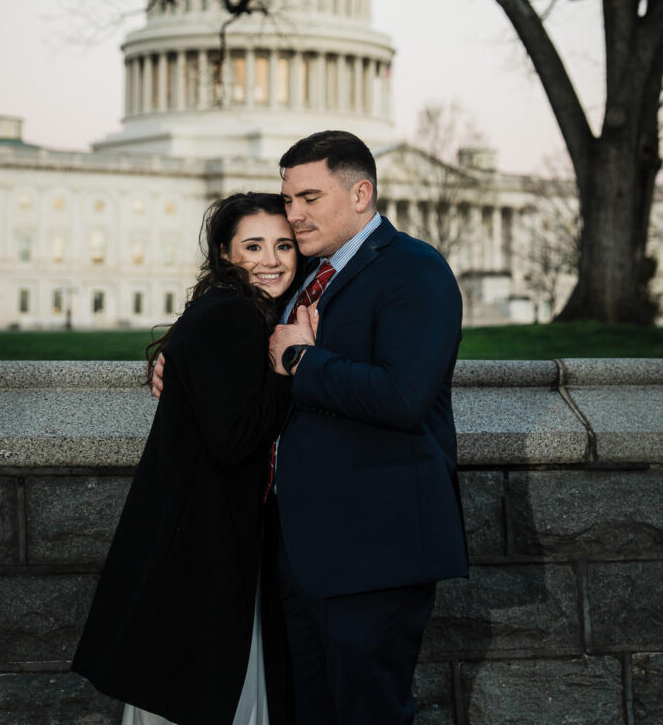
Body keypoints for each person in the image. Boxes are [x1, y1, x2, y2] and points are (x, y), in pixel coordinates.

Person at [154, 130, 469, 725]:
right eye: (288, 198)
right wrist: (178, 357)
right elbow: (245, 340)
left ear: (360, 194)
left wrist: (303, 361)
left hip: (377, 549)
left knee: (367, 713)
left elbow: (403, 397)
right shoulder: (308, 276)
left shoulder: (415, 271)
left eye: (308, 198)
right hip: (301, 552)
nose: (292, 215)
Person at [72, 192, 300, 725]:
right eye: (254, 245)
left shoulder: (232, 310)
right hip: (204, 543)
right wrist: (290, 367)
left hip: (199, 538)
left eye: (284, 245)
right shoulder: (234, 315)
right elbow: (234, 436)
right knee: (206, 693)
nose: (271, 259)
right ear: (224, 252)